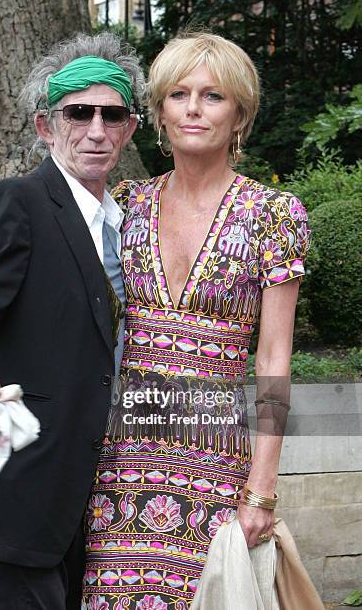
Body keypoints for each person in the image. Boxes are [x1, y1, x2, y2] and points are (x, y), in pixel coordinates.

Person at [82, 32, 311, 608]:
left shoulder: (274, 215)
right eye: (178, 94)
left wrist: (261, 489)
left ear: (239, 112)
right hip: (122, 458)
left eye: (212, 96)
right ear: (158, 111)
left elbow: (274, 358)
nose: (192, 109)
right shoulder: (127, 204)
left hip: (218, 455)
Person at [0, 32, 143, 610]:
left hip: (107, 488)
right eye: (78, 113)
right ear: (46, 126)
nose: (96, 130)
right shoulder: (17, 202)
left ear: (130, 128)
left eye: (112, 114)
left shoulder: (131, 222)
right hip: (30, 479)